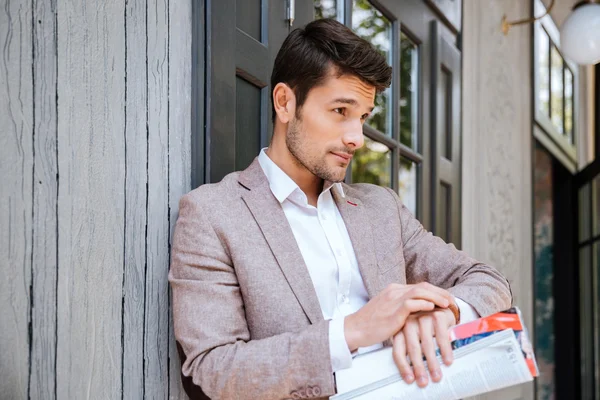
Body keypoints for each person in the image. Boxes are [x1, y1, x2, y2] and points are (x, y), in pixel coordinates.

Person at [169, 18, 512, 400]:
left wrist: (445, 314)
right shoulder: (213, 214)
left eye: (363, 117)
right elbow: (213, 370)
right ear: (285, 102)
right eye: (340, 111)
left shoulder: (380, 208)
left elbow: (489, 281)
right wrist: (352, 331)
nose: (357, 138)